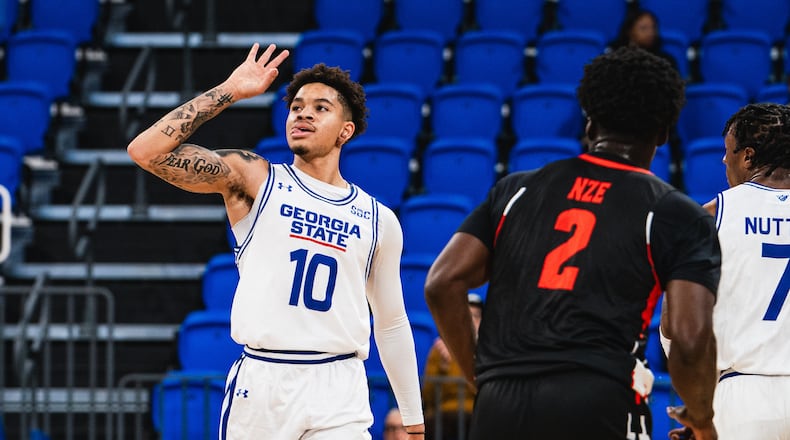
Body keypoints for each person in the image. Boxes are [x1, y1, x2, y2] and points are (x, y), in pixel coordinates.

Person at [127, 43, 425, 439]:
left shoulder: (378, 219)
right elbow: (145, 151)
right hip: (263, 380)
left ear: (345, 130)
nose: (303, 113)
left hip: (339, 385)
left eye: (321, 108)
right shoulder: (255, 178)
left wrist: (413, 419)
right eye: (296, 106)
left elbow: (391, 323)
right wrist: (230, 90)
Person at [424, 46, 720, 440]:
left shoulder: (517, 190)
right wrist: (701, 421)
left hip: (502, 402)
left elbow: (442, 283)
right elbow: (689, 337)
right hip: (598, 396)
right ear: (664, 131)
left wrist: (481, 372)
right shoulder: (675, 212)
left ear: (590, 124)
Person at [666, 103, 790, 440]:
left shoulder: (711, 217)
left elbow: (676, 328)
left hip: (741, 398)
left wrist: (700, 411)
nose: (724, 161)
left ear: (747, 157)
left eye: (728, 152)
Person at [422, 293, 483, 440]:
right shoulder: (440, 349)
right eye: (466, 316)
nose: (471, 321)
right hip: (444, 417)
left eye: (475, 316)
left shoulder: (488, 351)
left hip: (476, 415)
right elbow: (428, 397)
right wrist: (442, 367)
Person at [611, 9, 679, 72]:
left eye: (653, 28)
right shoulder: (614, 59)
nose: (650, 33)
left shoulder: (665, 61)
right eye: (643, 28)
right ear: (629, 31)